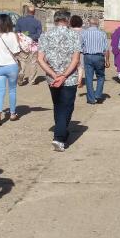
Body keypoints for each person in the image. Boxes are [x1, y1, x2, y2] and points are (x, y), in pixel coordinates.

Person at [38, 10, 82, 151]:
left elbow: (40, 59)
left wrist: (54, 74)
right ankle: (59, 138)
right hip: (69, 78)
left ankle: (62, 131)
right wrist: (64, 75)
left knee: (58, 105)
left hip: (52, 78)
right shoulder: (75, 35)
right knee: (67, 106)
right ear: (68, 20)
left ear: (55, 20)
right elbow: (76, 59)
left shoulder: (45, 35)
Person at [80, 17, 110, 104]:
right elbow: (106, 49)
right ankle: (98, 94)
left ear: (89, 23)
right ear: (98, 24)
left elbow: (79, 46)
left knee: (89, 78)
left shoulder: (84, 33)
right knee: (100, 76)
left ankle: (91, 98)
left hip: (88, 56)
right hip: (99, 57)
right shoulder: (102, 33)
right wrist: (107, 60)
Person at [15, 6, 42, 85]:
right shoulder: (37, 22)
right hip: (34, 45)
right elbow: (39, 34)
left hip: (23, 44)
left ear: (27, 11)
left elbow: (17, 32)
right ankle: (32, 80)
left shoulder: (20, 20)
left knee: (22, 60)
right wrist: (31, 37)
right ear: (34, 12)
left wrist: (24, 37)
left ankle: (21, 73)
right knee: (33, 62)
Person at [70, 15, 85, 88]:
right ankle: (79, 81)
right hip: (81, 51)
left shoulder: (69, 31)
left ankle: (71, 80)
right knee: (80, 67)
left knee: (71, 65)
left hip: (71, 51)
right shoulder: (84, 31)